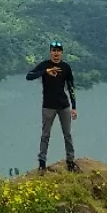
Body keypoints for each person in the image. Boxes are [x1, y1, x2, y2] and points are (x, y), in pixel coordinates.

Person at [25, 40, 77, 172]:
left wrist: (74, 107)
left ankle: (70, 162)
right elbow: (29, 76)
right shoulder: (44, 65)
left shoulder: (66, 67)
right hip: (48, 106)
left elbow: (71, 87)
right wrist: (45, 71)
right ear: (50, 52)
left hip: (64, 106)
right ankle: (42, 164)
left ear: (62, 53)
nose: (56, 53)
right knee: (45, 135)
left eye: (58, 51)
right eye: (53, 50)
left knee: (67, 134)